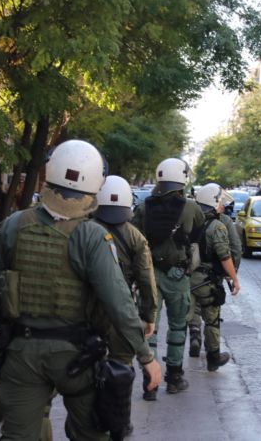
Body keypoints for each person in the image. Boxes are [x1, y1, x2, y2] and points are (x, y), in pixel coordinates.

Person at [0, 139, 161, 440]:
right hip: (78, 356)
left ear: (50, 171)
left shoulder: (13, 225)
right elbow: (119, 303)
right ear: (95, 182)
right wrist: (146, 357)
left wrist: (7, 326)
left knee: (19, 436)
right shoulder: (92, 236)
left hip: (23, 354)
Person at [131, 158, 204, 399]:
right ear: (182, 179)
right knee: (178, 326)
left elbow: (134, 238)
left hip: (149, 273)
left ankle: (149, 384)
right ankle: (174, 378)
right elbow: (199, 232)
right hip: (177, 276)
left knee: (149, 326)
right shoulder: (191, 207)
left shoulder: (144, 207)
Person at [91, 174, 158, 435]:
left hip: (88, 309)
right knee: (121, 365)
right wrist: (149, 315)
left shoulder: (85, 230)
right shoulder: (136, 238)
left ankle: (93, 420)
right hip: (121, 312)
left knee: (88, 364)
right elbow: (146, 280)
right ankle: (121, 422)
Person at [188, 184, 241, 371]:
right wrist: (234, 278)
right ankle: (213, 358)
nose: (222, 206)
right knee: (212, 320)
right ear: (213, 202)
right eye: (220, 202)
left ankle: (175, 364)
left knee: (184, 318)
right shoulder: (217, 226)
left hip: (186, 279)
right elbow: (225, 256)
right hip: (207, 281)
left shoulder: (189, 221)